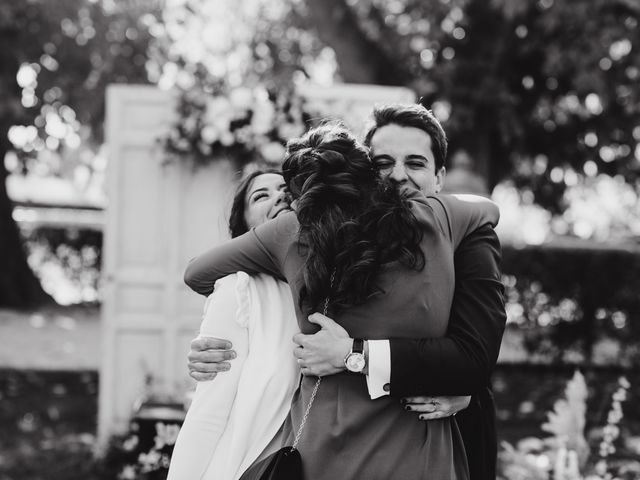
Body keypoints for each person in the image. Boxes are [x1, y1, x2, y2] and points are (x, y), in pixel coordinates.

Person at [189, 103, 507, 480]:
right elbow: (488, 207)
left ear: (439, 175)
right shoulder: (449, 216)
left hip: (409, 444)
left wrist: (352, 354)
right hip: (350, 452)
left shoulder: (291, 233)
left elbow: (198, 273)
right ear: (366, 174)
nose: (400, 177)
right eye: (385, 163)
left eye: (416, 164)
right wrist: (234, 332)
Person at [167, 170, 300, 480]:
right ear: (247, 230)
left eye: (286, 189)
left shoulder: (333, 290)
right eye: (261, 196)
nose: (279, 196)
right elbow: (209, 414)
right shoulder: (239, 290)